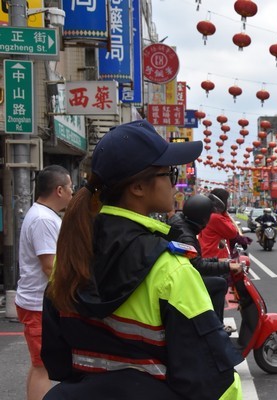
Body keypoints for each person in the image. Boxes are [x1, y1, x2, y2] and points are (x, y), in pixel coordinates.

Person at [41, 120, 243, 399]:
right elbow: (213, 383)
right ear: (137, 187)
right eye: (170, 174)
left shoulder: (70, 260)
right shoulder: (170, 270)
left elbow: (58, 361)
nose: (176, 184)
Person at [15, 165, 73, 400]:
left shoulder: (43, 215)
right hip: (38, 303)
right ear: (59, 190)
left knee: (39, 364)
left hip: (35, 301)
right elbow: (49, 266)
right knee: (44, 367)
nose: (72, 191)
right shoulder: (43, 219)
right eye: (70, 187)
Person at [167, 194, 242, 323]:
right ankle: (215, 325)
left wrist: (218, 260)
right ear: (201, 218)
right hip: (180, 281)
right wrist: (227, 266)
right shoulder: (186, 236)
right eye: (207, 218)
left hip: (178, 275)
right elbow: (198, 266)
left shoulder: (181, 225)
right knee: (220, 283)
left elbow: (193, 259)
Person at [200, 188, 242, 259]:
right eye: (226, 200)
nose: (228, 203)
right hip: (216, 258)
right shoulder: (216, 217)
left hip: (207, 255)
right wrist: (225, 214)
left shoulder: (208, 214)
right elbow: (232, 232)